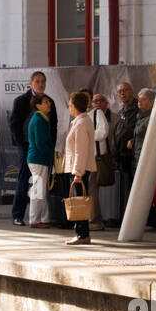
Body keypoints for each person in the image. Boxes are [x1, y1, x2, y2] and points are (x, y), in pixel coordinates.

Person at [9, 71, 57, 226]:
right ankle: (18, 215)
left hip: (44, 148)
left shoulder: (50, 102)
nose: (41, 84)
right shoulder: (21, 100)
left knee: (41, 184)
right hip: (27, 147)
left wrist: (51, 146)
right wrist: (22, 144)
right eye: (37, 81)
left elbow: (53, 127)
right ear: (30, 83)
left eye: (43, 81)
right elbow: (14, 124)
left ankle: (44, 218)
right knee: (25, 179)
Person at [63, 89, 96, 246]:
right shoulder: (82, 121)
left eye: (70, 104)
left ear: (75, 106)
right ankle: (82, 233)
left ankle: (82, 233)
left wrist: (78, 172)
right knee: (79, 200)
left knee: (79, 201)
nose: (69, 107)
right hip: (80, 168)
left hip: (79, 169)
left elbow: (80, 151)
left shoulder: (81, 124)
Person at [129, 88, 156, 230]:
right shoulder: (140, 117)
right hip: (137, 156)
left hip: (145, 158)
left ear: (152, 101)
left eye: (143, 100)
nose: (139, 102)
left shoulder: (153, 118)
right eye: (139, 100)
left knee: (145, 190)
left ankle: (151, 221)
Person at [26, 93, 55, 229]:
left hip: (39, 158)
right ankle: (35, 219)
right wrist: (50, 157)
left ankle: (43, 218)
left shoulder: (41, 119)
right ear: (38, 105)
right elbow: (41, 143)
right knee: (38, 190)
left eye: (49, 101)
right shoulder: (39, 120)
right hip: (39, 159)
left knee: (41, 190)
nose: (49, 104)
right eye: (45, 102)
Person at [111, 81, 139, 218]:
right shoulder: (122, 110)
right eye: (120, 91)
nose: (122, 93)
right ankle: (126, 216)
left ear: (132, 91)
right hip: (122, 155)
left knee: (136, 188)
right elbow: (118, 133)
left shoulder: (138, 108)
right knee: (125, 187)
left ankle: (135, 217)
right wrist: (115, 155)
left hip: (133, 154)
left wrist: (134, 140)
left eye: (125, 90)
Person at [87, 92, 112, 229]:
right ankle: (92, 218)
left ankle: (95, 220)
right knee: (90, 189)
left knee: (92, 189)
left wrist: (88, 135)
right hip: (88, 157)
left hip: (97, 157)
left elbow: (103, 132)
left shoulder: (97, 113)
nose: (96, 103)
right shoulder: (86, 115)